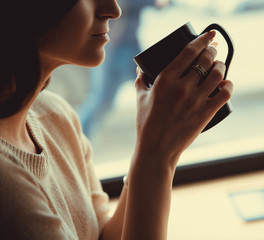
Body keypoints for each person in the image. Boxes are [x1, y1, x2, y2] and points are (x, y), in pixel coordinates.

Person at [0, 0, 232, 239]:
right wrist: (158, 154)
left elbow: (103, 236)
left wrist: (153, 144)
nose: (114, 10)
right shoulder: (6, 185)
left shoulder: (56, 115)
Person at [77, 0, 171, 137]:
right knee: (102, 100)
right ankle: (77, 137)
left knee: (156, 89)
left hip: (129, 48)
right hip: (115, 49)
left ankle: (167, 131)